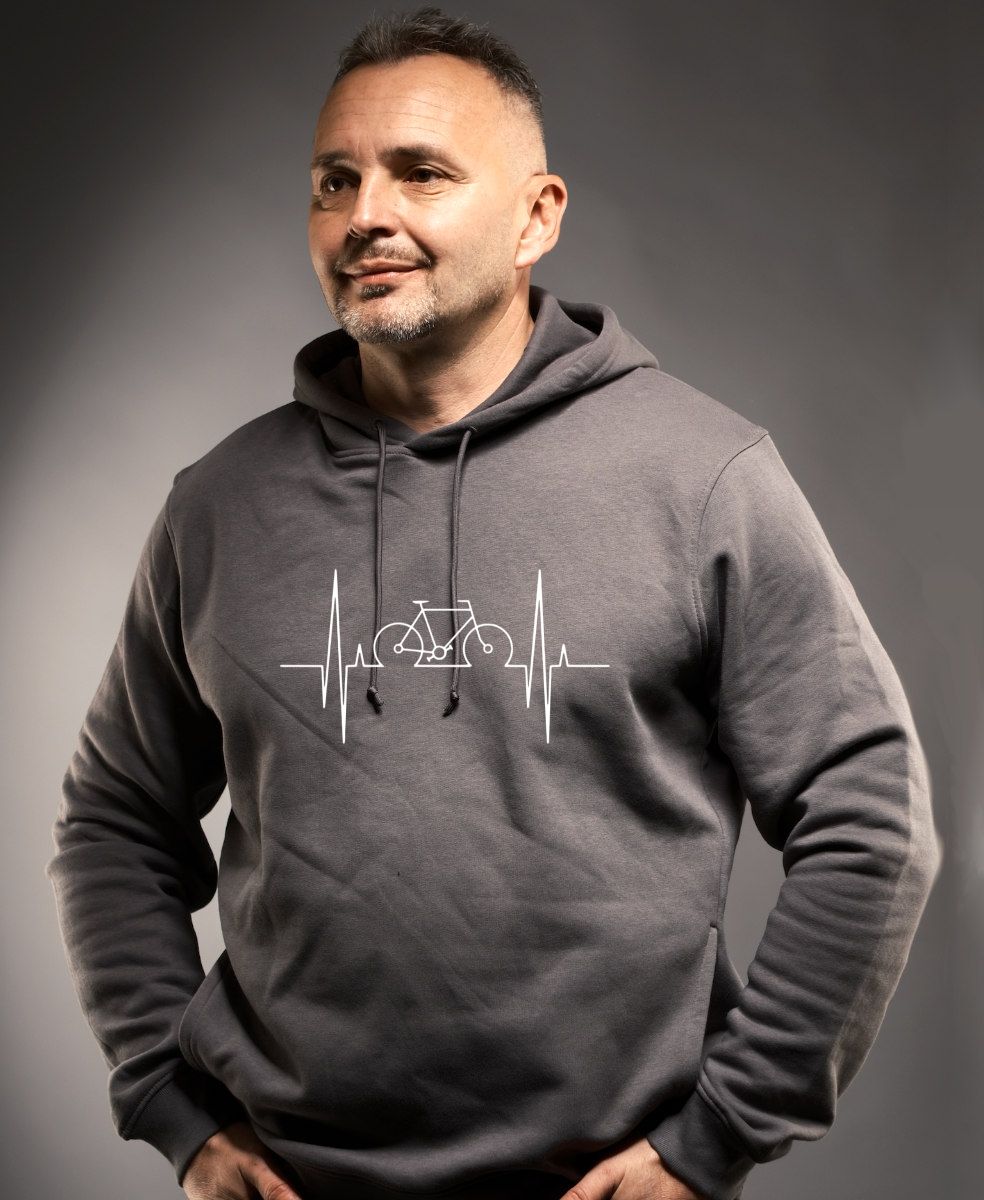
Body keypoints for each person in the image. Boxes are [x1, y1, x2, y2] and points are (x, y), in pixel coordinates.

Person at [45, 7, 944, 1200]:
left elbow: (871, 819)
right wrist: (175, 1111)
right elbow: (114, 819)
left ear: (536, 217)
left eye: (421, 172)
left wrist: (718, 1135)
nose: (366, 214)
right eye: (334, 180)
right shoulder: (217, 505)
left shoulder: (702, 479)